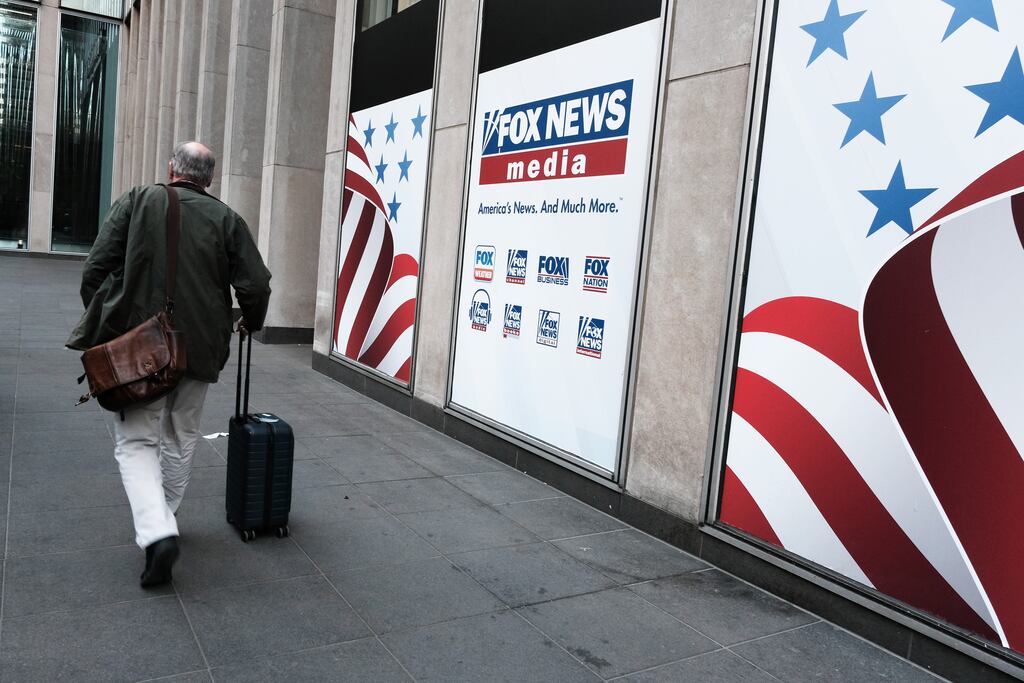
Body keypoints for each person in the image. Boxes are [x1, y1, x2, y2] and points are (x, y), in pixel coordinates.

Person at [67, 142, 271, 587]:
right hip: (198, 347)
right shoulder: (227, 220)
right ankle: (165, 517)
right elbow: (255, 285)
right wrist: (250, 323)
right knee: (181, 435)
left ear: (171, 169)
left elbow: (94, 270)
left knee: (137, 442)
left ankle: (158, 532)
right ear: (209, 179)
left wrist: (107, 323)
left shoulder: (138, 201)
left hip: (141, 346)